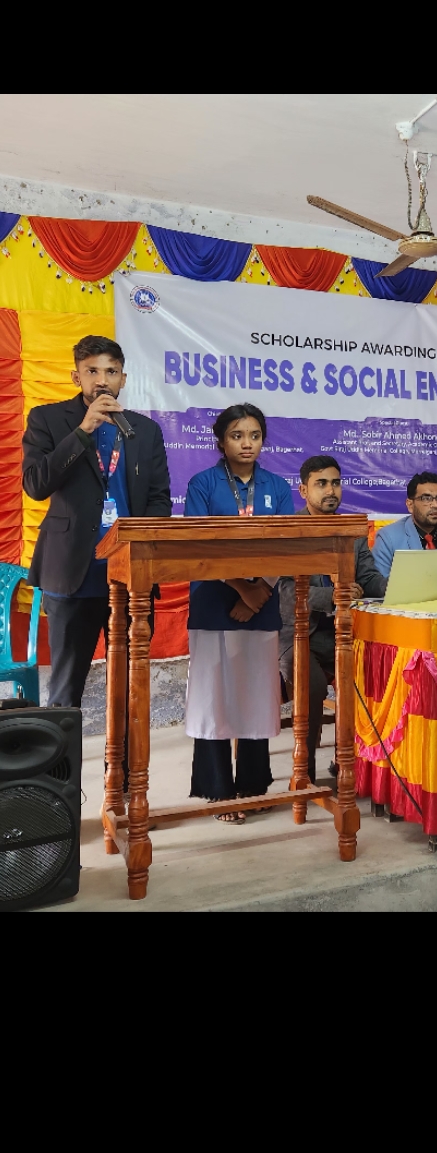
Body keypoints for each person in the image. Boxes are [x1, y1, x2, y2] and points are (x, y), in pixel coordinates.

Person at [22, 336, 171, 784]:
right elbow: (36, 484)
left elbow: (159, 500)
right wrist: (82, 431)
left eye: (110, 371)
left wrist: (143, 550)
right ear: (76, 376)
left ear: (123, 378)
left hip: (129, 576)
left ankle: (121, 781)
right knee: (65, 690)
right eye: (92, 371)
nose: (101, 380)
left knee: (128, 686)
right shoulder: (49, 420)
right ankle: (58, 790)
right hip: (72, 573)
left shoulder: (144, 430)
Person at [184, 402, 294, 820]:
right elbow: (197, 545)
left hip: (261, 605)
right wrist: (241, 589)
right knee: (212, 696)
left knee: (256, 694)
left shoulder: (277, 487)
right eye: (237, 435)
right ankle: (217, 787)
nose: (247, 443)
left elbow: (286, 545)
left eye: (254, 435)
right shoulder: (202, 484)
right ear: (221, 440)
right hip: (213, 602)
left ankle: (252, 782)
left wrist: (260, 590)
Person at [278, 455, 387, 785]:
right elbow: (285, 591)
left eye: (336, 483)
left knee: (376, 675)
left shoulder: (352, 531)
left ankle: (354, 766)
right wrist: (334, 595)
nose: (331, 490)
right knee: (311, 686)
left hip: (345, 632)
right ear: (303, 490)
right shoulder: (290, 531)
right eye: (321, 483)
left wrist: (400, 587)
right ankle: (304, 772)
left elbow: (368, 578)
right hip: (300, 634)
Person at [371, 472, 437, 583]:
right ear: (410, 505)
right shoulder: (388, 537)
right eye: (426, 499)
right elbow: (381, 586)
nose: (435, 505)